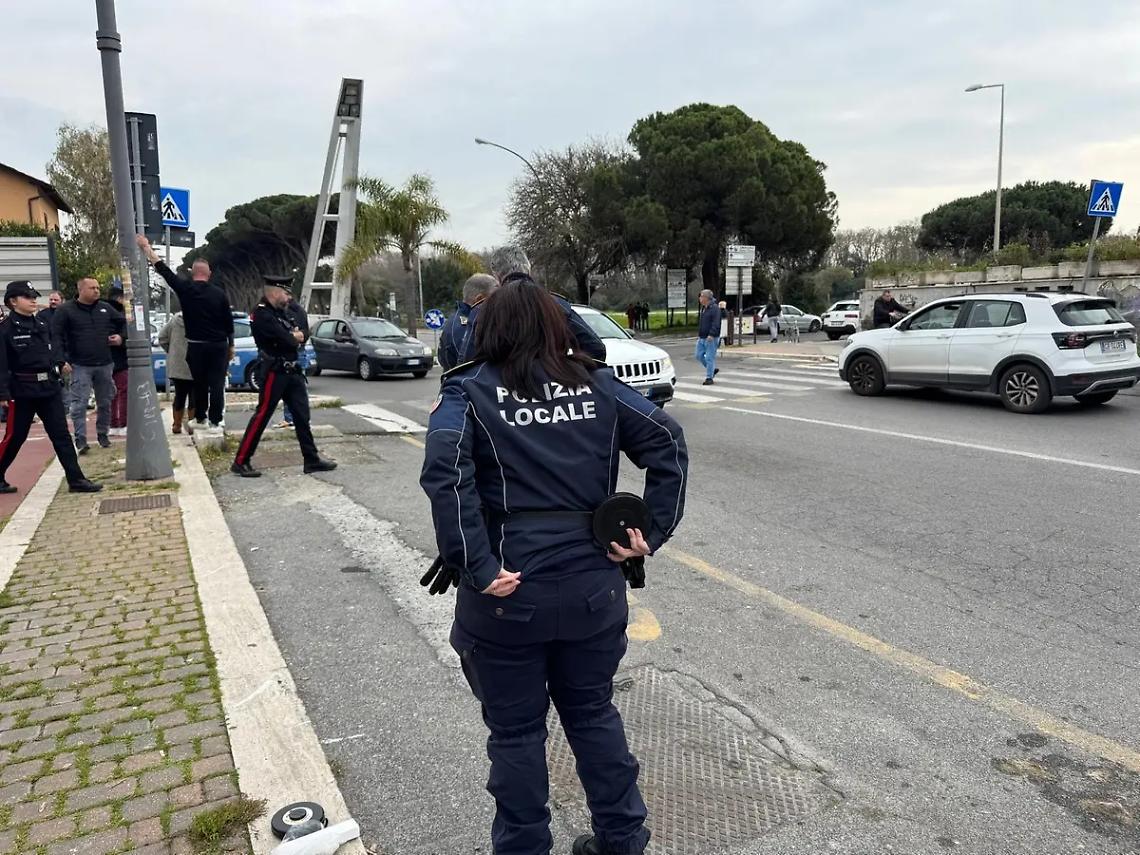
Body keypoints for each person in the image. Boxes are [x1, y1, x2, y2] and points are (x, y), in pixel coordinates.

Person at [420, 278, 687, 855]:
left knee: (516, 735)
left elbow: (445, 474)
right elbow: (667, 440)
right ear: (558, 325)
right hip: (594, 585)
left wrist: (476, 565)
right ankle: (623, 840)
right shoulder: (597, 385)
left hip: (507, 591)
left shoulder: (469, 391)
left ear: (487, 329)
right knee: (592, 714)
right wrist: (651, 533)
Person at [230, 274, 336, 478]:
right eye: (286, 293)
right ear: (275, 292)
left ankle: (311, 459)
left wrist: (296, 335)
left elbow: (303, 331)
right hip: (274, 371)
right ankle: (241, 461)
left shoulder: (283, 311)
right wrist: (293, 336)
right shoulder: (262, 314)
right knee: (262, 415)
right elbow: (287, 339)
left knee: (302, 416)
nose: (289, 297)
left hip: (293, 371)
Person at [0, 281, 101, 494]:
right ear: (13, 301)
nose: (33, 300)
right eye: (27, 297)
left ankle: (76, 479)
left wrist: (60, 362)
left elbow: (53, 349)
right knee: (15, 437)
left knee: (61, 435)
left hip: (48, 388)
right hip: (22, 390)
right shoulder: (6, 330)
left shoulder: (42, 324)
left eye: (34, 296)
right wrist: (3, 394)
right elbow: (2, 365)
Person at [136, 235, 234, 431]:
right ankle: (216, 421)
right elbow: (228, 322)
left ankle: (200, 418)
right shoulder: (220, 294)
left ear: (192, 272)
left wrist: (147, 248)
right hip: (218, 345)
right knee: (216, 384)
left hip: (196, 345)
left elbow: (164, 270)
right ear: (209, 273)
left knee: (199, 383)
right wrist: (231, 346)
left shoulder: (185, 289)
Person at [485, 246, 607, 363]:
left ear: (496, 276)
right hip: (552, 374)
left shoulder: (484, 309)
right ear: (528, 270)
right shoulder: (555, 305)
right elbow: (595, 348)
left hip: (502, 377)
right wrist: (565, 369)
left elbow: (474, 360)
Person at [53, 277, 125, 454]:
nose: (96, 291)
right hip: (79, 365)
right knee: (79, 404)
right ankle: (81, 439)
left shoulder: (105, 308)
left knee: (105, 402)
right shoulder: (65, 310)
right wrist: (61, 361)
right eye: (92, 288)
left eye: (98, 287)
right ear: (81, 290)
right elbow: (56, 336)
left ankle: (103, 434)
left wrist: (121, 337)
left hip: (105, 363)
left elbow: (124, 322)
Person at [438, 273, 498, 371]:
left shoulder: (457, 321)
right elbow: (472, 367)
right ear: (479, 299)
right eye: (494, 298)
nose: (498, 302)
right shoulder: (465, 327)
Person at [276, 296, 311, 429]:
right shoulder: (299, 311)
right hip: (297, 350)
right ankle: (295, 418)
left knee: (294, 386)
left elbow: (302, 334)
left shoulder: (291, 312)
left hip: (294, 351)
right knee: (296, 387)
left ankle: (293, 418)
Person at [158, 313, 195, 434]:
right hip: (195, 363)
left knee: (179, 395)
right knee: (194, 396)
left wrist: (172, 351)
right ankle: (192, 425)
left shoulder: (175, 320)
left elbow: (162, 337)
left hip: (177, 365)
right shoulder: (200, 318)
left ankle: (177, 425)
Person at [105, 285, 129, 436]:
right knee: (123, 391)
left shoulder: (100, 312)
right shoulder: (123, 314)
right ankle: (123, 423)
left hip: (103, 359)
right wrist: (122, 338)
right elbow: (128, 332)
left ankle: (112, 424)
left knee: (109, 393)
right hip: (120, 358)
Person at [696, 289, 721, 386]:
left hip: (711, 337)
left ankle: (709, 378)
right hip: (702, 336)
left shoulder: (715, 308)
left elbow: (716, 323)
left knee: (709, 358)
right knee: (698, 355)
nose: (700, 298)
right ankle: (712, 369)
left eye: (701, 296)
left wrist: (712, 334)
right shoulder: (704, 308)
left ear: (707, 298)